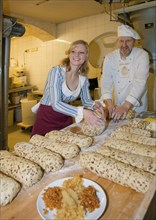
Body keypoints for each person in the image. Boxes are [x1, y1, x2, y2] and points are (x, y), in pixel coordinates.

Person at [32, 40, 106, 136]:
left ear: (87, 56)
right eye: (73, 51)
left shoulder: (83, 77)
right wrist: (83, 112)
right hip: (47, 116)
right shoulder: (56, 72)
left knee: (66, 146)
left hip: (66, 115)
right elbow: (56, 104)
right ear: (69, 53)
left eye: (81, 52)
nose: (76, 55)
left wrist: (95, 105)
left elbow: (86, 100)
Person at [100, 24, 149, 121]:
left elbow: (140, 82)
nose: (124, 45)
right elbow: (106, 82)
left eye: (128, 41)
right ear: (118, 41)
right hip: (118, 107)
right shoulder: (110, 58)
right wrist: (109, 105)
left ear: (134, 42)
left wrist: (126, 106)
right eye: (121, 41)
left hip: (137, 108)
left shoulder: (142, 55)